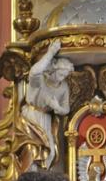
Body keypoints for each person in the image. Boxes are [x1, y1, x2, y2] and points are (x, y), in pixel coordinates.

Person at [18, 40, 73, 171]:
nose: (62, 78)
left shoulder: (63, 86)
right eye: (60, 74)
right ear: (54, 70)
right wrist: (51, 53)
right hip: (31, 116)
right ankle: (29, 179)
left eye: (65, 75)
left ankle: (42, 179)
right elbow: (34, 72)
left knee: (50, 153)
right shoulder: (40, 80)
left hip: (46, 118)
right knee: (32, 151)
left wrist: (56, 107)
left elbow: (66, 109)